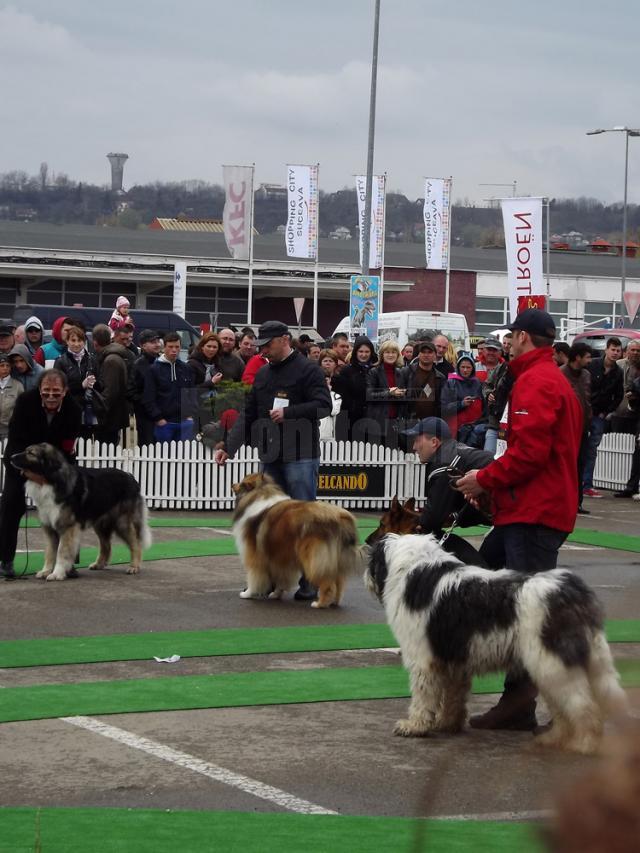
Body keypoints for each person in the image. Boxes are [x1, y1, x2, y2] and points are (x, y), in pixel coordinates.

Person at [454, 308, 582, 732]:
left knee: (531, 614)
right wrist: (494, 488)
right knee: (483, 580)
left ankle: (536, 704)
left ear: (523, 337)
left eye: (510, 336)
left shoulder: (536, 381)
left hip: (535, 511)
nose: (505, 343)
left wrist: (483, 480)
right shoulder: (544, 378)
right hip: (527, 508)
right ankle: (513, 696)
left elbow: (529, 455)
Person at [214, 320, 331, 600]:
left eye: (267, 345)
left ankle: (310, 581)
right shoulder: (264, 373)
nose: (263, 350)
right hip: (270, 456)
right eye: (260, 346)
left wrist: (290, 412)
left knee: (304, 520)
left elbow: (324, 405)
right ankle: (265, 580)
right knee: (267, 522)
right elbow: (249, 413)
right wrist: (229, 447)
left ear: (284, 340)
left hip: (301, 454)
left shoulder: (308, 370)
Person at [0, 369, 82, 580]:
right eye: (46, 391)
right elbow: (15, 440)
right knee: (10, 504)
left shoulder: (73, 409)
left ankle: (69, 563)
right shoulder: (26, 401)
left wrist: (53, 478)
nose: (51, 396)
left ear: (64, 391)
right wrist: (28, 473)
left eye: (56, 392)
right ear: (39, 390)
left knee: (70, 509)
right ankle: (5, 560)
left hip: (56, 467)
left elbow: (66, 448)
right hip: (20, 460)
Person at [403, 416, 494, 538]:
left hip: (516, 511)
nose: (414, 447)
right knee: (491, 555)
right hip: (509, 511)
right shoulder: (455, 451)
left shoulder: (445, 462)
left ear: (434, 442)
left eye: (417, 441)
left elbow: (433, 519)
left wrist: (413, 529)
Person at [583, 337, 624, 499]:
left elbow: (619, 395)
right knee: (578, 447)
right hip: (584, 412)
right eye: (613, 349)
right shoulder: (592, 365)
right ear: (606, 350)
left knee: (592, 450)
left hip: (599, 415)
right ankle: (576, 483)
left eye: (618, 350)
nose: (615, 353)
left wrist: (607, 412)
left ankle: (587, 485)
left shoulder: (618, 372)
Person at [143, 331, 197, 443]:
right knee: (163, 457)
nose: (174, 350)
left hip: (184, 422)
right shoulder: (154, 369)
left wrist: (190, 415)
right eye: (170, 346)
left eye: (177, 347)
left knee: (183, 457)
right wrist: (158, 418)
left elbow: (191, 393)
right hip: (164, 423)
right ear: (164, 348)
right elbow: (148, 397)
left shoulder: (186, 368)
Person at [560, 342, 593, 514]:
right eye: (587, 356)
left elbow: (588, 399)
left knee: (580, 465)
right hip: (566, 428)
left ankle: (577, 502)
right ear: (577, 357)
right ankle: (563, 500)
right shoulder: (561, 374)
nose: (590, 360)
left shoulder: (586, 374)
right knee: (566, 465)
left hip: (583, 427)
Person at [54, 325, 98, 436]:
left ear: (84, 342)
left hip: (88, 409)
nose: (76, 344)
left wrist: (94, 383)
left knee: (86, 444)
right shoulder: (60, 361)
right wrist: (81, 385)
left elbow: (100, 383)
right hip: (68, 410)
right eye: (73, 340)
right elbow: (58, 388)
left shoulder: (92, 359)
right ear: (67, 341)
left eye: (80, 340)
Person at [91, 323, 131, 446]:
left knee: (106, 454)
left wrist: (96, 409)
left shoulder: (110, 360)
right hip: (113, 417)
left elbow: (109, 394)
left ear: (95, 342)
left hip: (109, 419)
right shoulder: (112, 357)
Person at [331, 335, 376, 440]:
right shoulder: (346, 371)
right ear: (355, 352)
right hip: (350, 419)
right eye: (361, 351)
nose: (364, 355)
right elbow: (340, 397)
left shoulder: (375, 370)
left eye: (367, 352)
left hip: (371, 419)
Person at [366, 340, 407, 446]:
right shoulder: (374, 372)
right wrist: (389, 393)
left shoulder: (401, 372)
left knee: (392, 457)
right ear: (382, 354)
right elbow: (369, 395)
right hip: (378, 422)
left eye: (393, 352)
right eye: (387, 352)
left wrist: (403, 394)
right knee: (376, 457)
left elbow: (404, 398)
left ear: (398, 355)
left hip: (395, 422)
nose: (390, 355)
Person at [440, 354, 486, 447]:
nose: (465, 370)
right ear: (458, 367)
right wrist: (461, 404)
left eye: (468, 367)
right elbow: (444, 407)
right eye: (463, 367)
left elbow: (483, 405)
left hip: (474, 427)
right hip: (455, 427)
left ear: (472, 368)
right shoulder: (451, 382)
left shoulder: (477, 382)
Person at [130, 329, 162, 446]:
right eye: (153, 342)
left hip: (162, 413)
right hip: (145, 416)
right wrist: (146, 403)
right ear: (143, 345)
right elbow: (131, 391)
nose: (157, 344)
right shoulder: (138, 364)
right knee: (147, 446)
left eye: (158, 341)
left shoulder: (162, 361)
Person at [402, 341, 446, 426]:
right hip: (409, 422)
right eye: (423, 352)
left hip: (431, 423)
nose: (426, 355)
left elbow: (441, 403)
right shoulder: (406, 372)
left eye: (429, 352)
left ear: (435, 355)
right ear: (418, 354)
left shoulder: (440, 377)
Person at [187, 332, 224, 431]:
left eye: (214, 347)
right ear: (202, 347)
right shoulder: (192, 364)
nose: (211, 349)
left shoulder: (217, 364)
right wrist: (211, 382)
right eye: (209, 346)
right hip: (197, 410)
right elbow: (191, 390)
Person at [318, 348, 342, 440]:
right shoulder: (314, 379)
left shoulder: (340, 381)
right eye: (325, 361)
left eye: (331, 361)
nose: (328, 363)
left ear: (335, 363)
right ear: (320, 363)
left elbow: (334, 409)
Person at [0, 353, 23, 440]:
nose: (5, 368)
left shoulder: (17, 386)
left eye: (7, 366)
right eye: (2, 365)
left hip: (9, 430)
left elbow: (22, 409)